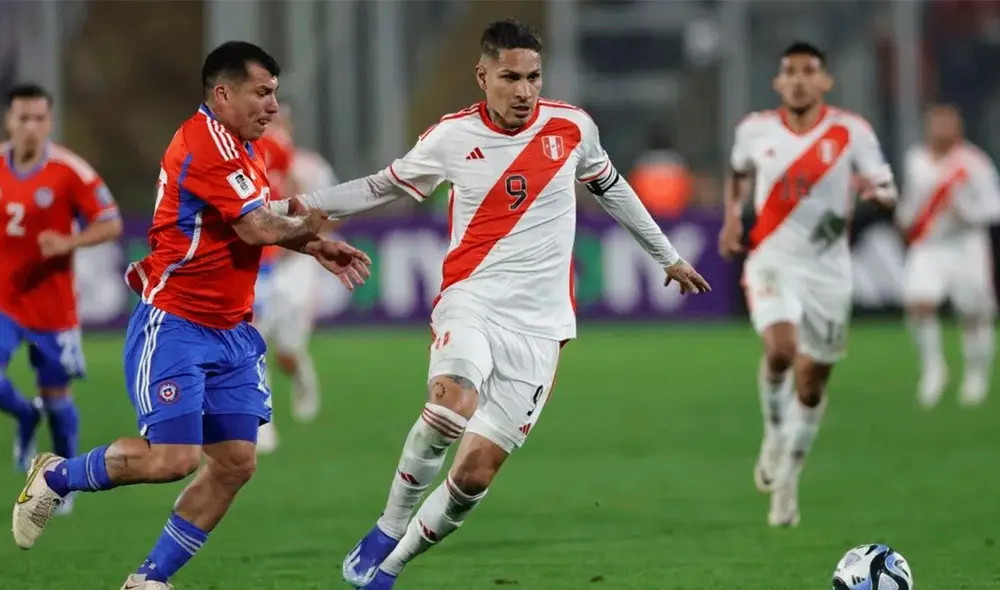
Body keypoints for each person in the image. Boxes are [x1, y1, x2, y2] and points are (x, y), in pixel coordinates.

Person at [277, 18, 710, 590]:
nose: (524, 90)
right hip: (471, 301)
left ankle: (390, 568)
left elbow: (615, 189)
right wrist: (300, 204)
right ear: (483, 75)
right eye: (510, 77)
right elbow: (383, 185)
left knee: (475, 475)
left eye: (533, 76)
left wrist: (668, 257)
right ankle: (389, 525)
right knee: (451, 404)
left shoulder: (573, 128)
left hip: (542, 326)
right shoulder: (451, 137)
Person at [11, 41, 371, 590]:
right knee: (172, 460)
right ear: (223, 94)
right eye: (263, 92)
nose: (273, 106)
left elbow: (252, 222)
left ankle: (150, 579)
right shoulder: (206, 143)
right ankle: (57, 474)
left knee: (234, 462)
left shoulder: (245, 148)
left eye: (275, 93)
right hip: (177, 323)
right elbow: (255, 228)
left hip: (232, 330)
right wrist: (313, 229)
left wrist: (312, 246)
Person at [717, 41, 897, 527]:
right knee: (780, 349)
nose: (798, 79)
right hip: (771, 261)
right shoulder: (754, 130)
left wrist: (875, 194)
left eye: (808, 71)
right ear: (778, 82)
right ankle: (774, 433)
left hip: (829, 274)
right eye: (789, 71)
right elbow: (737, 173)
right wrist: (733, 220)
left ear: (824, 82)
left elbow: (888, 190)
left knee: (812, 385)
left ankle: (790, 480)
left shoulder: (851, 131)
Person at [0, 83, 122, 515]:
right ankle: (24, 415)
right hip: (5, 301)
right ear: (9, 120)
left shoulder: (70, 171)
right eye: (22, 117)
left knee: (57, 396)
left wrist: (70, 240)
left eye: (38, 118)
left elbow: (110, 223)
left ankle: (63, 483)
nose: (30, 126)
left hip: (52, 308)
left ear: (48, 122)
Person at [897, 103, 1000, 408]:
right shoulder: (916, 159)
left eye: (946, 124)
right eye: (935, 123)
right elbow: (913, 199)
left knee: (973, 314)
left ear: (958, 128)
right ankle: (933, 370)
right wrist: (904, 219)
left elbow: (994, 208)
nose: (940, 130)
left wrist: (966, 212)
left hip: (965, 246)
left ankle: (976, 375)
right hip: (928, 245)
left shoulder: (974, 163)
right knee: (918, 303)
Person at [254, 141, 339, 454]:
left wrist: (305, 235)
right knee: (254, 344)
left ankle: (301, 370)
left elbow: (313, 207)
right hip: (256, 267)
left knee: (286, 352)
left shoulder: (292, 159)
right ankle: (263, 425)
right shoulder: (228, 154)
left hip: (291, 264)